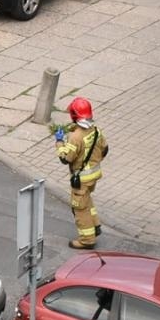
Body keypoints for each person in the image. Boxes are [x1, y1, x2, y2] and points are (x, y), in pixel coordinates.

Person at [53, 96, 107, 249]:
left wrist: (59, 142)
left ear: (74, 115)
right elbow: (105, 149)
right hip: (94, 175)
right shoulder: (96, 130)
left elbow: (66, 158)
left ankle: (87, 240)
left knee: (79, 208)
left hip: (81, 179)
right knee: (87, 200)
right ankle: (95, 225)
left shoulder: (75, 137)